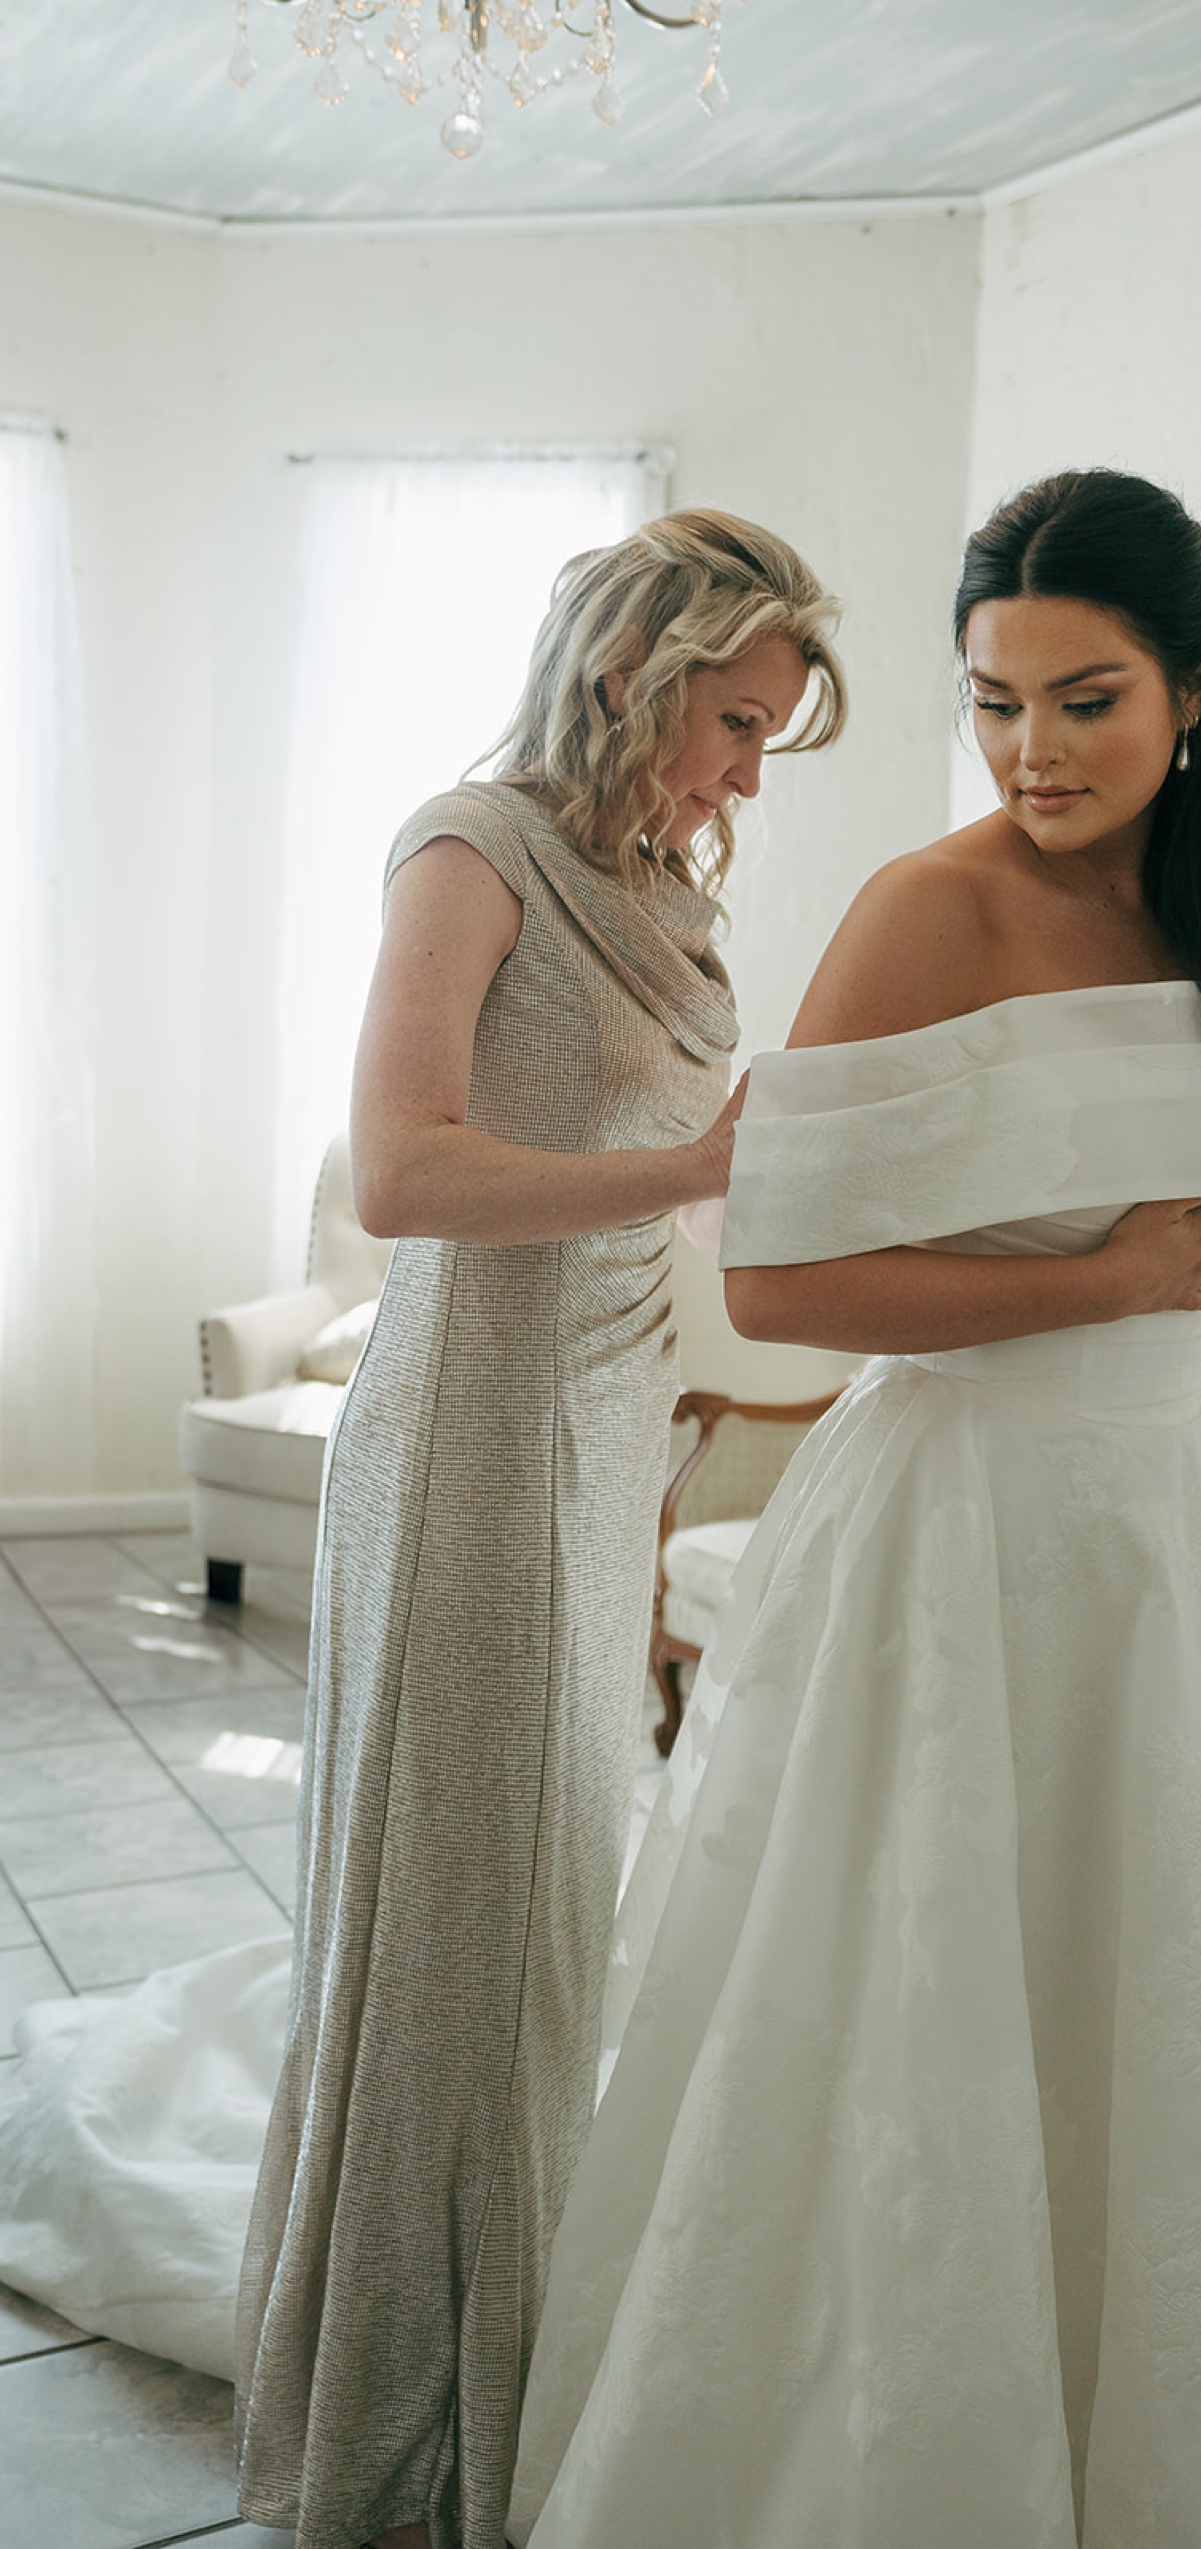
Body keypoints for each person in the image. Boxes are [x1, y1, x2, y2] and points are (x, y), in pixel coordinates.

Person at [507, 470, 1201, 2549]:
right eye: (994, 702)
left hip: (1150, 1540)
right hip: (950, 1525)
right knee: (918, 1985)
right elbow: (778, 1286)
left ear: (1191, 689)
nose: (1034, 753)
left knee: (1137, 1980)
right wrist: (1088, 1284)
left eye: (1084, 701)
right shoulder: (927, 908)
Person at [0, 510, 846, 2549]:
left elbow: (676, 1174)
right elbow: (403, 1174)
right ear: (638, 668)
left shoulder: (665, 877)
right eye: (734, 724)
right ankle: (412, 2369)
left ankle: (523, 2289)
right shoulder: (470, 847)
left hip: (604, 1414)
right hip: (469, 1428)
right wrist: (696, 1168)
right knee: (465, 1910)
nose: (746, 777)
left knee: (560, 1879)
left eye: (772, 742)